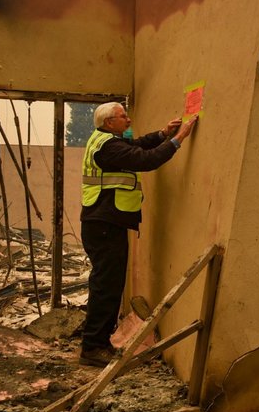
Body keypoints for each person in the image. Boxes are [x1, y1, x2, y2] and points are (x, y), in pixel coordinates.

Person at [79, 102, 197, 367]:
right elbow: (145, 159)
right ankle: (93, 347)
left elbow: (136, 147)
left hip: (104, 222)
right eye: (123, 117)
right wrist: (178, 140)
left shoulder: (106, 140)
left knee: (108, 285)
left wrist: (162, 134)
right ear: (110, 122)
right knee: (106, 287)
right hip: (105, 223)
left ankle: (97, 343)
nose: (129, 120)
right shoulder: (108, 146)